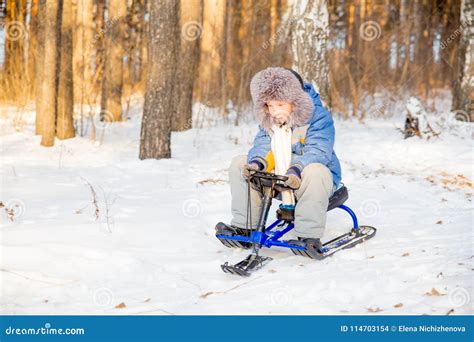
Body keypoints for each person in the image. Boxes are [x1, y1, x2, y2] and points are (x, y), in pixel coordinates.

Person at [216, 67, 342, 254]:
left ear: (296, 102)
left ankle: (308, 236)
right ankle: (245, 227)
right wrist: (257, 163)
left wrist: (295, 169)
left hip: (310, 180)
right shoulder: (270, 120)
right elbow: (264, 145)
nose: (274, 112)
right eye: (270, 105)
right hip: (279, 179)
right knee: (239, 163)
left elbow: (319, 150)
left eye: (280, 105)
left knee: (316, 171)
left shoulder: (319, 117)